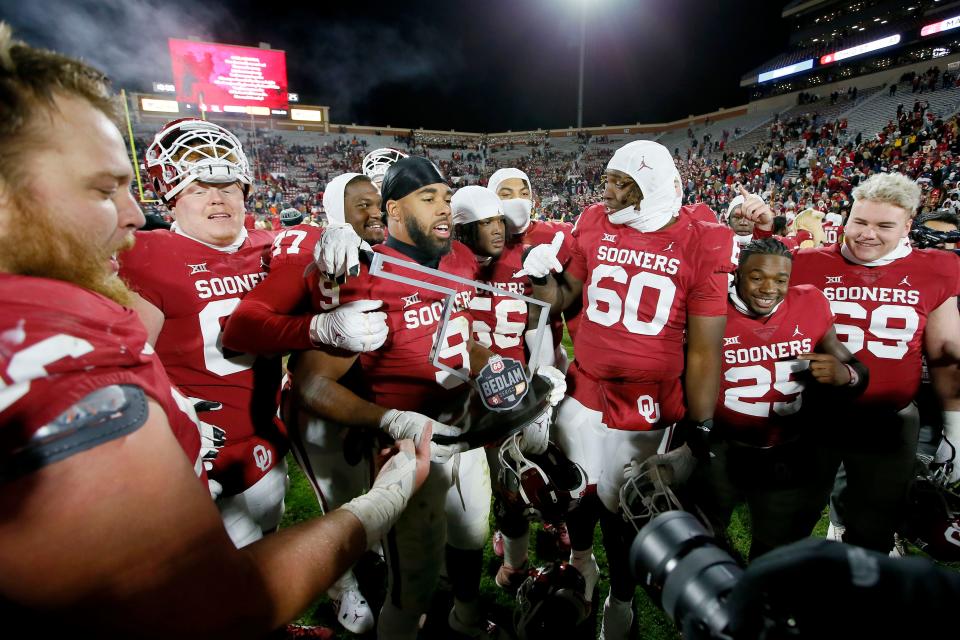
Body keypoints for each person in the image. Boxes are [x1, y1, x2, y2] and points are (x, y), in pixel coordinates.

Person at [0, 25, 429, 638]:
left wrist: (339, 233)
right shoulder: (139, 257)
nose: (220, 196)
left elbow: (319, 248)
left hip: (263, 437)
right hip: (193, 462)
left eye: (230, 182)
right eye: (201, 185)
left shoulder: (269, 244)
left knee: (264, 537)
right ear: (172, 195)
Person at [516, 140, 735, 639]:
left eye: (622, 184)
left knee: (626, 507)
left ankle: (621, 595)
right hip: (586, 389)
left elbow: (704, 348)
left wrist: (700, 422)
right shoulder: (592, 221)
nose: (608, 191)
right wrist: (541, 282)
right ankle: (581, 560)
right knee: (574, 493)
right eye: (609, 180)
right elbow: (566, 294)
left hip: (649, 402)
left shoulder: (702, 239)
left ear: (654, 187)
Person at [740, 172, 960, 553]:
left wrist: (956, 430)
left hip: (886, 421)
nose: (866, 234)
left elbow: (944, 355)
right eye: (859, 221)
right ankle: (768, 604)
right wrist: (760, 234)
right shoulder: (806, 262)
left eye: (884, 225)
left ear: (908, 225)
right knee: (780, 527)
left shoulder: (937, 268)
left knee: (872, 536)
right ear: (846, 218)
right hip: (809, 416)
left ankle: (847, 607)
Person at [226, 171, 388, 635]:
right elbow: (246, 325)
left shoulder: (386, 253)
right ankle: (342, 589)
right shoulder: (309, 250)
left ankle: (370, 563)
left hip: (366, 399)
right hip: (316, 405)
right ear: (336, 212)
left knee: (370, 495)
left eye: (377, 202)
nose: (374, 211)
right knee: (339, 504)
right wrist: (316, 328)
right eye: (360, 205)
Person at [694, 237, 866, 560]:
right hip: (721, 448)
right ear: (738, 274)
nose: (768, 288)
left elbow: (857, 370)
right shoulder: (711, 309)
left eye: (780, 280)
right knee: (705, 538)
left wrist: (846, 374)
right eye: (757, 277)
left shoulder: (810, 303)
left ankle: (761, 603)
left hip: (783, 451)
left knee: (774, 548)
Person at [450, 185, 565, 593]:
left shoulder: (522, 259)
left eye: (499, 220)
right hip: (460, 396)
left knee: (513, 487)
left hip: (511, 393)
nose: (497, 229)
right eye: (485, 223)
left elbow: (536, 328)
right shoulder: (445, 264)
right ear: (462, 230)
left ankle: (516, 565)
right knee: (463, 501)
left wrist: (545, 378)